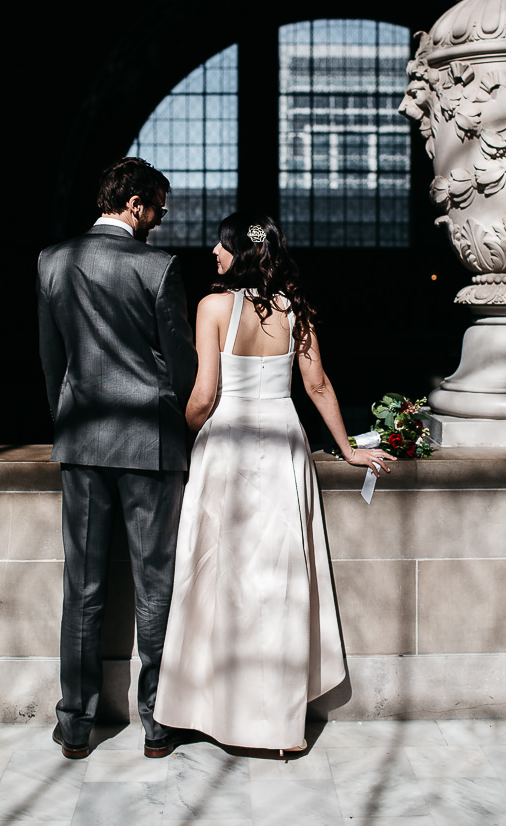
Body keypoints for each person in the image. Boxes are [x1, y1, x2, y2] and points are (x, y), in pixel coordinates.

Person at [154, 213, 393, 753]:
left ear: (238, 251)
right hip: (284, 442)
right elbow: (318, 384)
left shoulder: (212, 307)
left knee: (214, 580)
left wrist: (192, 432)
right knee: (280, 580)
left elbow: (203, 396)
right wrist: (350, 449)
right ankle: (278, 725)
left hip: (228, 446)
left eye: (220, 243)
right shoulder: (295, 309)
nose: (212, 250)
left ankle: (208, 711)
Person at [37, 157, 196, 760]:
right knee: (157, 585)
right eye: (157, 206)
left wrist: (68, 422)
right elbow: (182, 366)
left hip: (81, 440)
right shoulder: (159, 268)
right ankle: (156, 723)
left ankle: (75, 722)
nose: (161, 217)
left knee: (82, 585)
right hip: (150, 442)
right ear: (133, 204)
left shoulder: (53, 261)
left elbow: (53, 360)